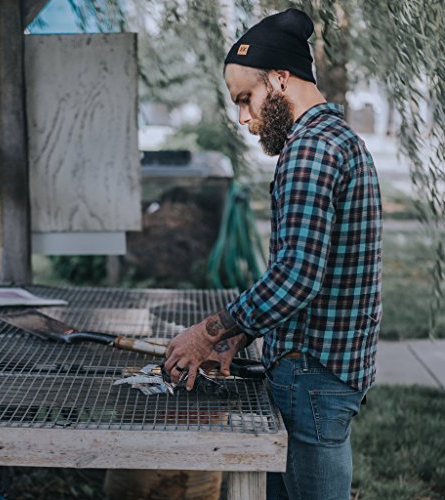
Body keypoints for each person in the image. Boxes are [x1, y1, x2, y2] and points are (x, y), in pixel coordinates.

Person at [165, 8, 382, 500]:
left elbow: (297, 276)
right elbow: (314, 272)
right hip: (327, 370)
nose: (243, 118)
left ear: (280, 79)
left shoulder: (310, 151)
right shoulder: (341, 140)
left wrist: (209, 331)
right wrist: (242, 334)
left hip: (311, 374)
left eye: (246, 98)